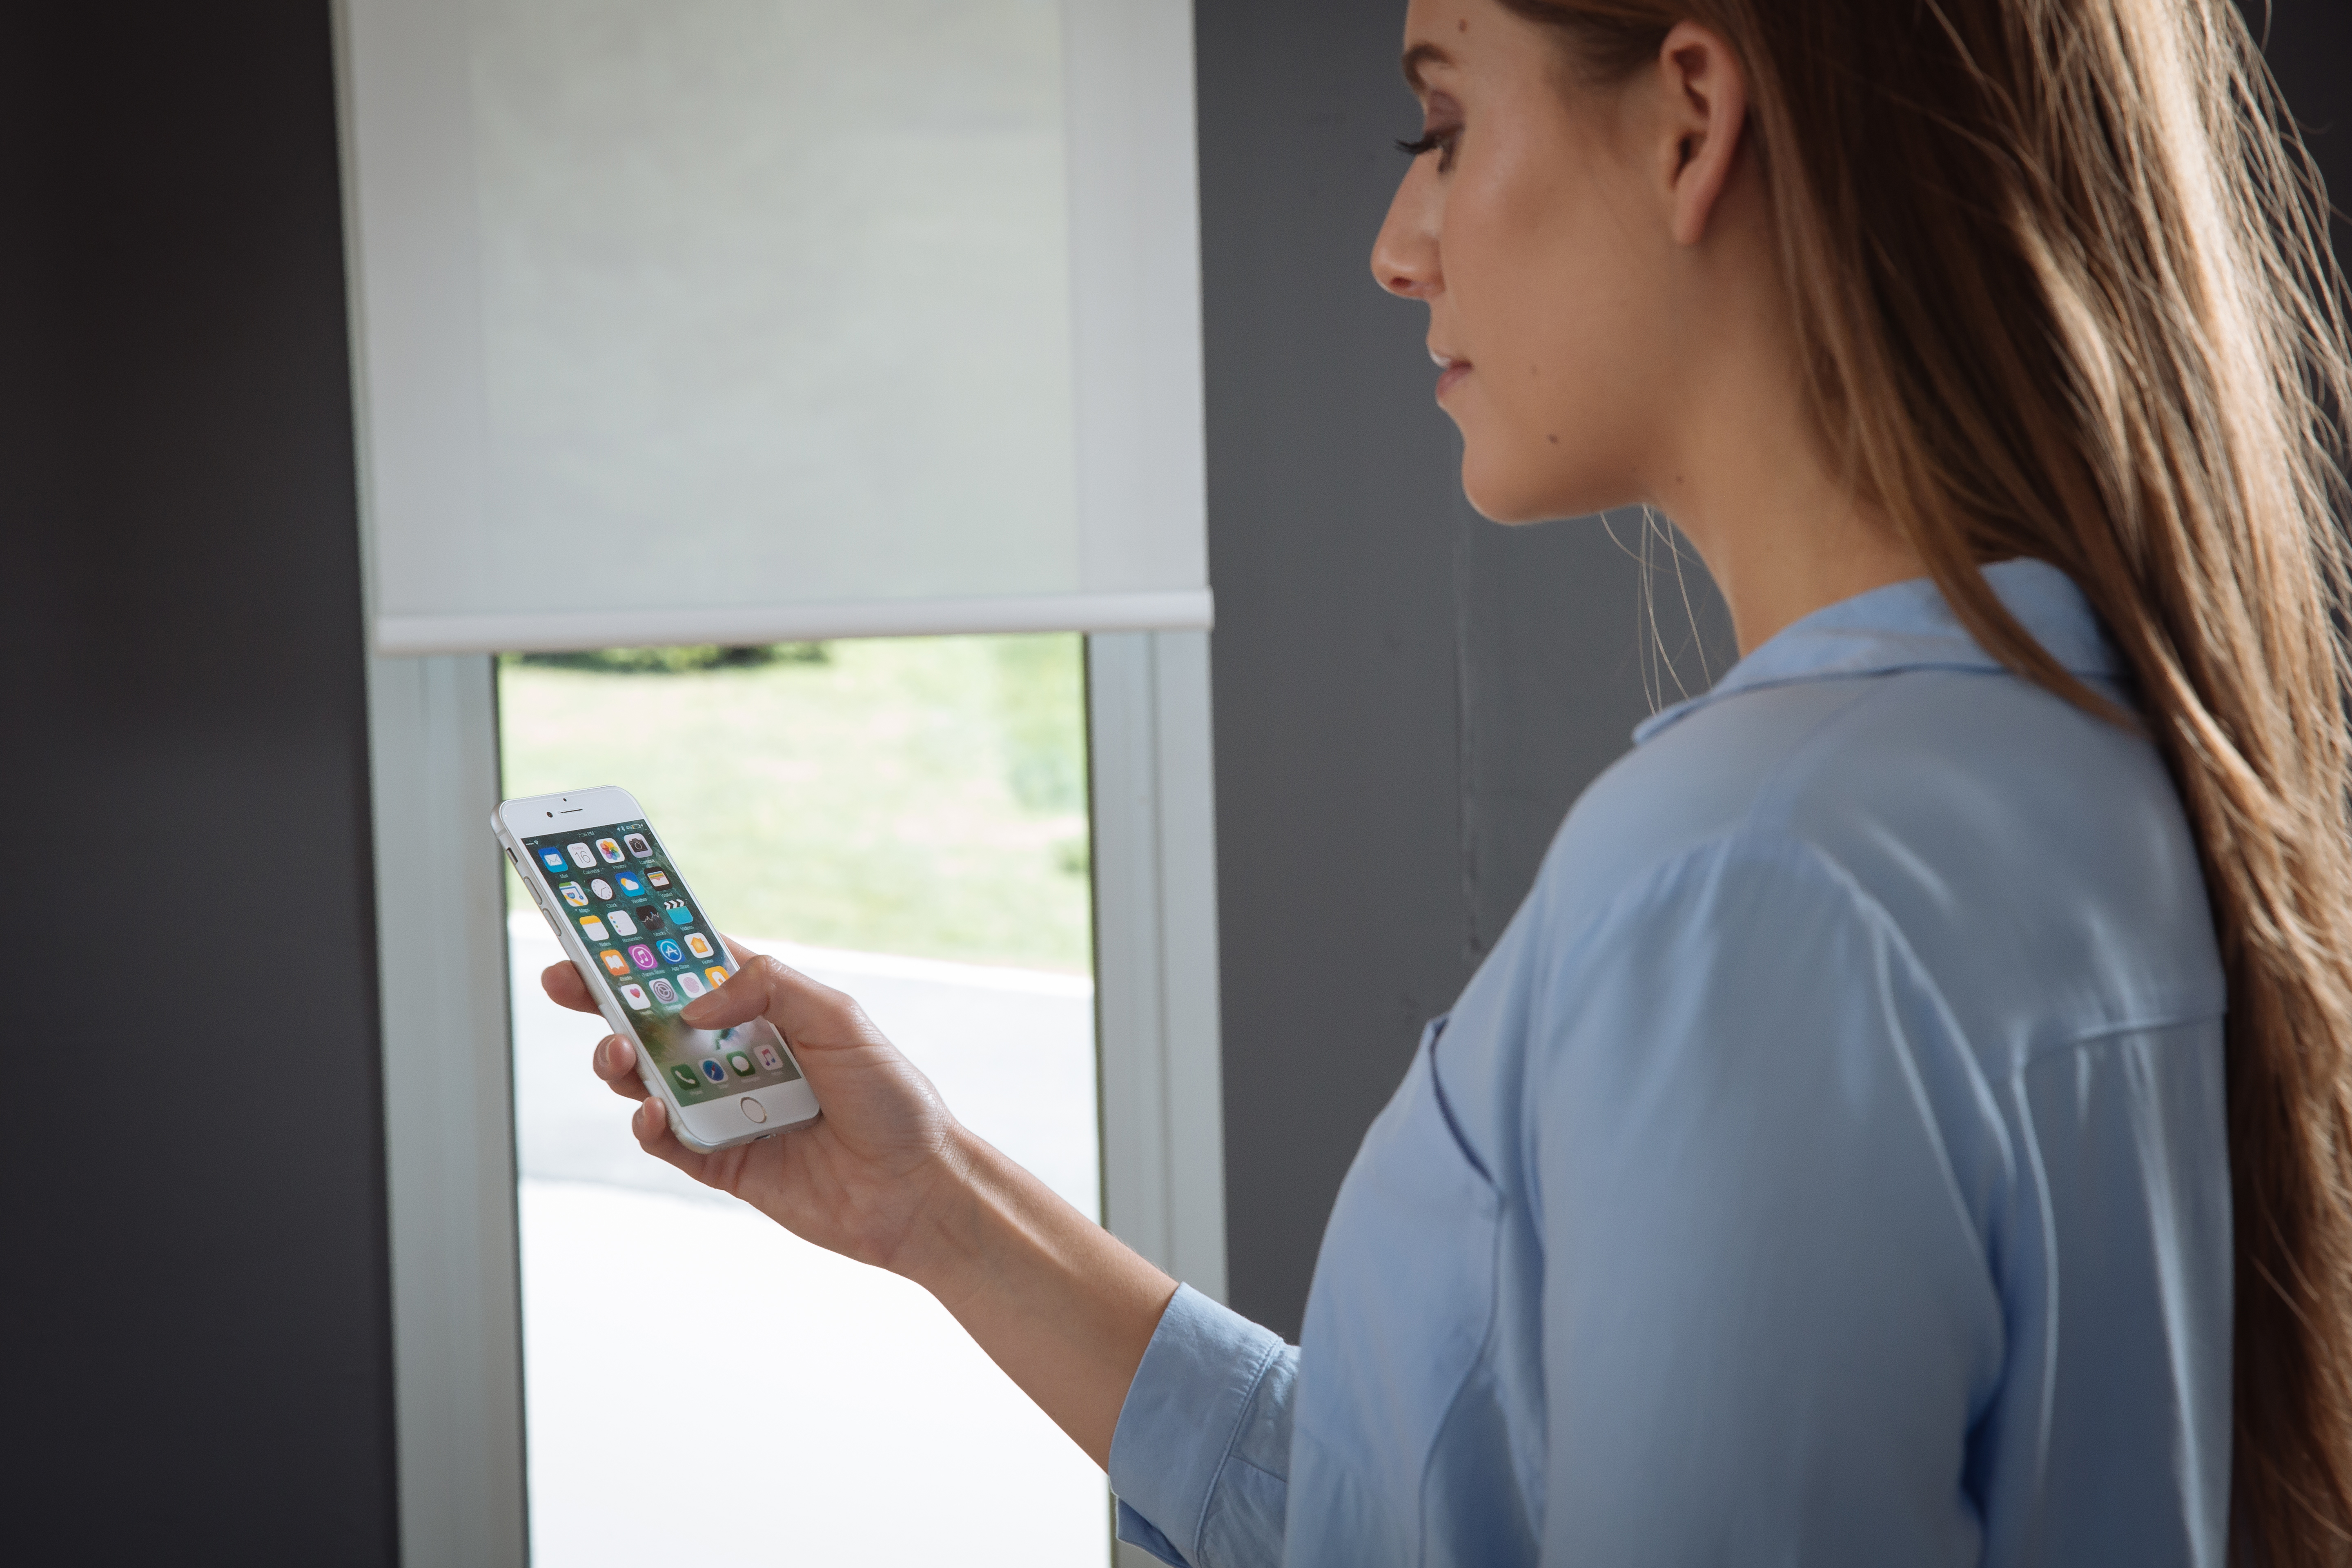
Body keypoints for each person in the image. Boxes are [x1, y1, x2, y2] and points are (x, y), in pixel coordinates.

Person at [541, 0, 2352, 1561]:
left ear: (1694, 124)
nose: (1400, 243)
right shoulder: (2107, 770)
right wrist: (939, 1208)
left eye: (1445, 122)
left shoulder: (1753, 884)